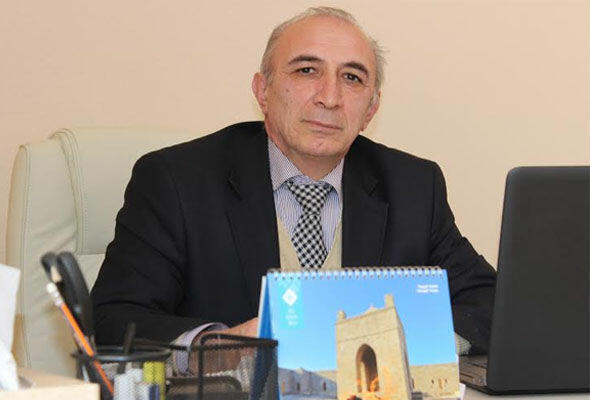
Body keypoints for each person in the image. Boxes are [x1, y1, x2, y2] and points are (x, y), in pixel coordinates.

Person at [91, 7, 496, 364]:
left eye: (352, 78)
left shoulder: (413, 187)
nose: (330, 97)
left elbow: (491, 301)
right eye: (307, 71)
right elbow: (115, 318)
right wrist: (220, 348)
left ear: (371, 109)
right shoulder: (176, 181)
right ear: (262, 90)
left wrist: (413, 343)